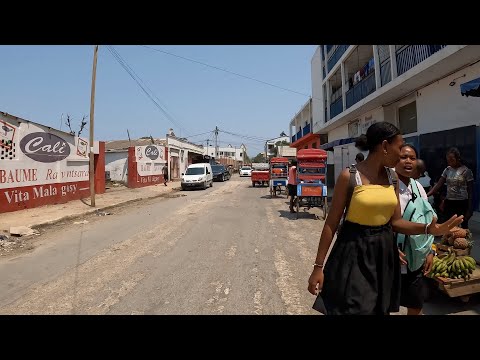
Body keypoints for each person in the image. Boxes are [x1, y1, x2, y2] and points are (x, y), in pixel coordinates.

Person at [307, 122, 463, 315]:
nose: (401, 154)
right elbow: (331, 224)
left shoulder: (392, 178)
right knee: (355, 307)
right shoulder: (350, 176)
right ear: (384, 146)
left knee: (378, 308)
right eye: (399, 148)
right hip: (354, 250)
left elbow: (396, 222)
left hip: (383, 253)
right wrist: (318, 267)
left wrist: (430, 229)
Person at [395, 145, 435, 315]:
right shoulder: (386, 187)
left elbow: (428, 221)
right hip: (392, 259)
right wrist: (390, 246)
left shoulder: (418, 188)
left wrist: (431, 251)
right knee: (384, 304)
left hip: (415, 258)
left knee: (416, 304)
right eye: (404, 157)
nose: (409, 161)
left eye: (412, 157)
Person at [427, 147, 474, 229]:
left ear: (458, 158)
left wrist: (470, 208)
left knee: (463, 226)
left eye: (451, 159)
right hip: (450, 202)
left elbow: (470, 191)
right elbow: (438, 185)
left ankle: (462, 241)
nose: (449, 162)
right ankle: (448, 241)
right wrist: (426, 195)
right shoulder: (447, 170)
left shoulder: (466, 171)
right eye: (448, 160)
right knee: (449, 226)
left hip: (462, 203)